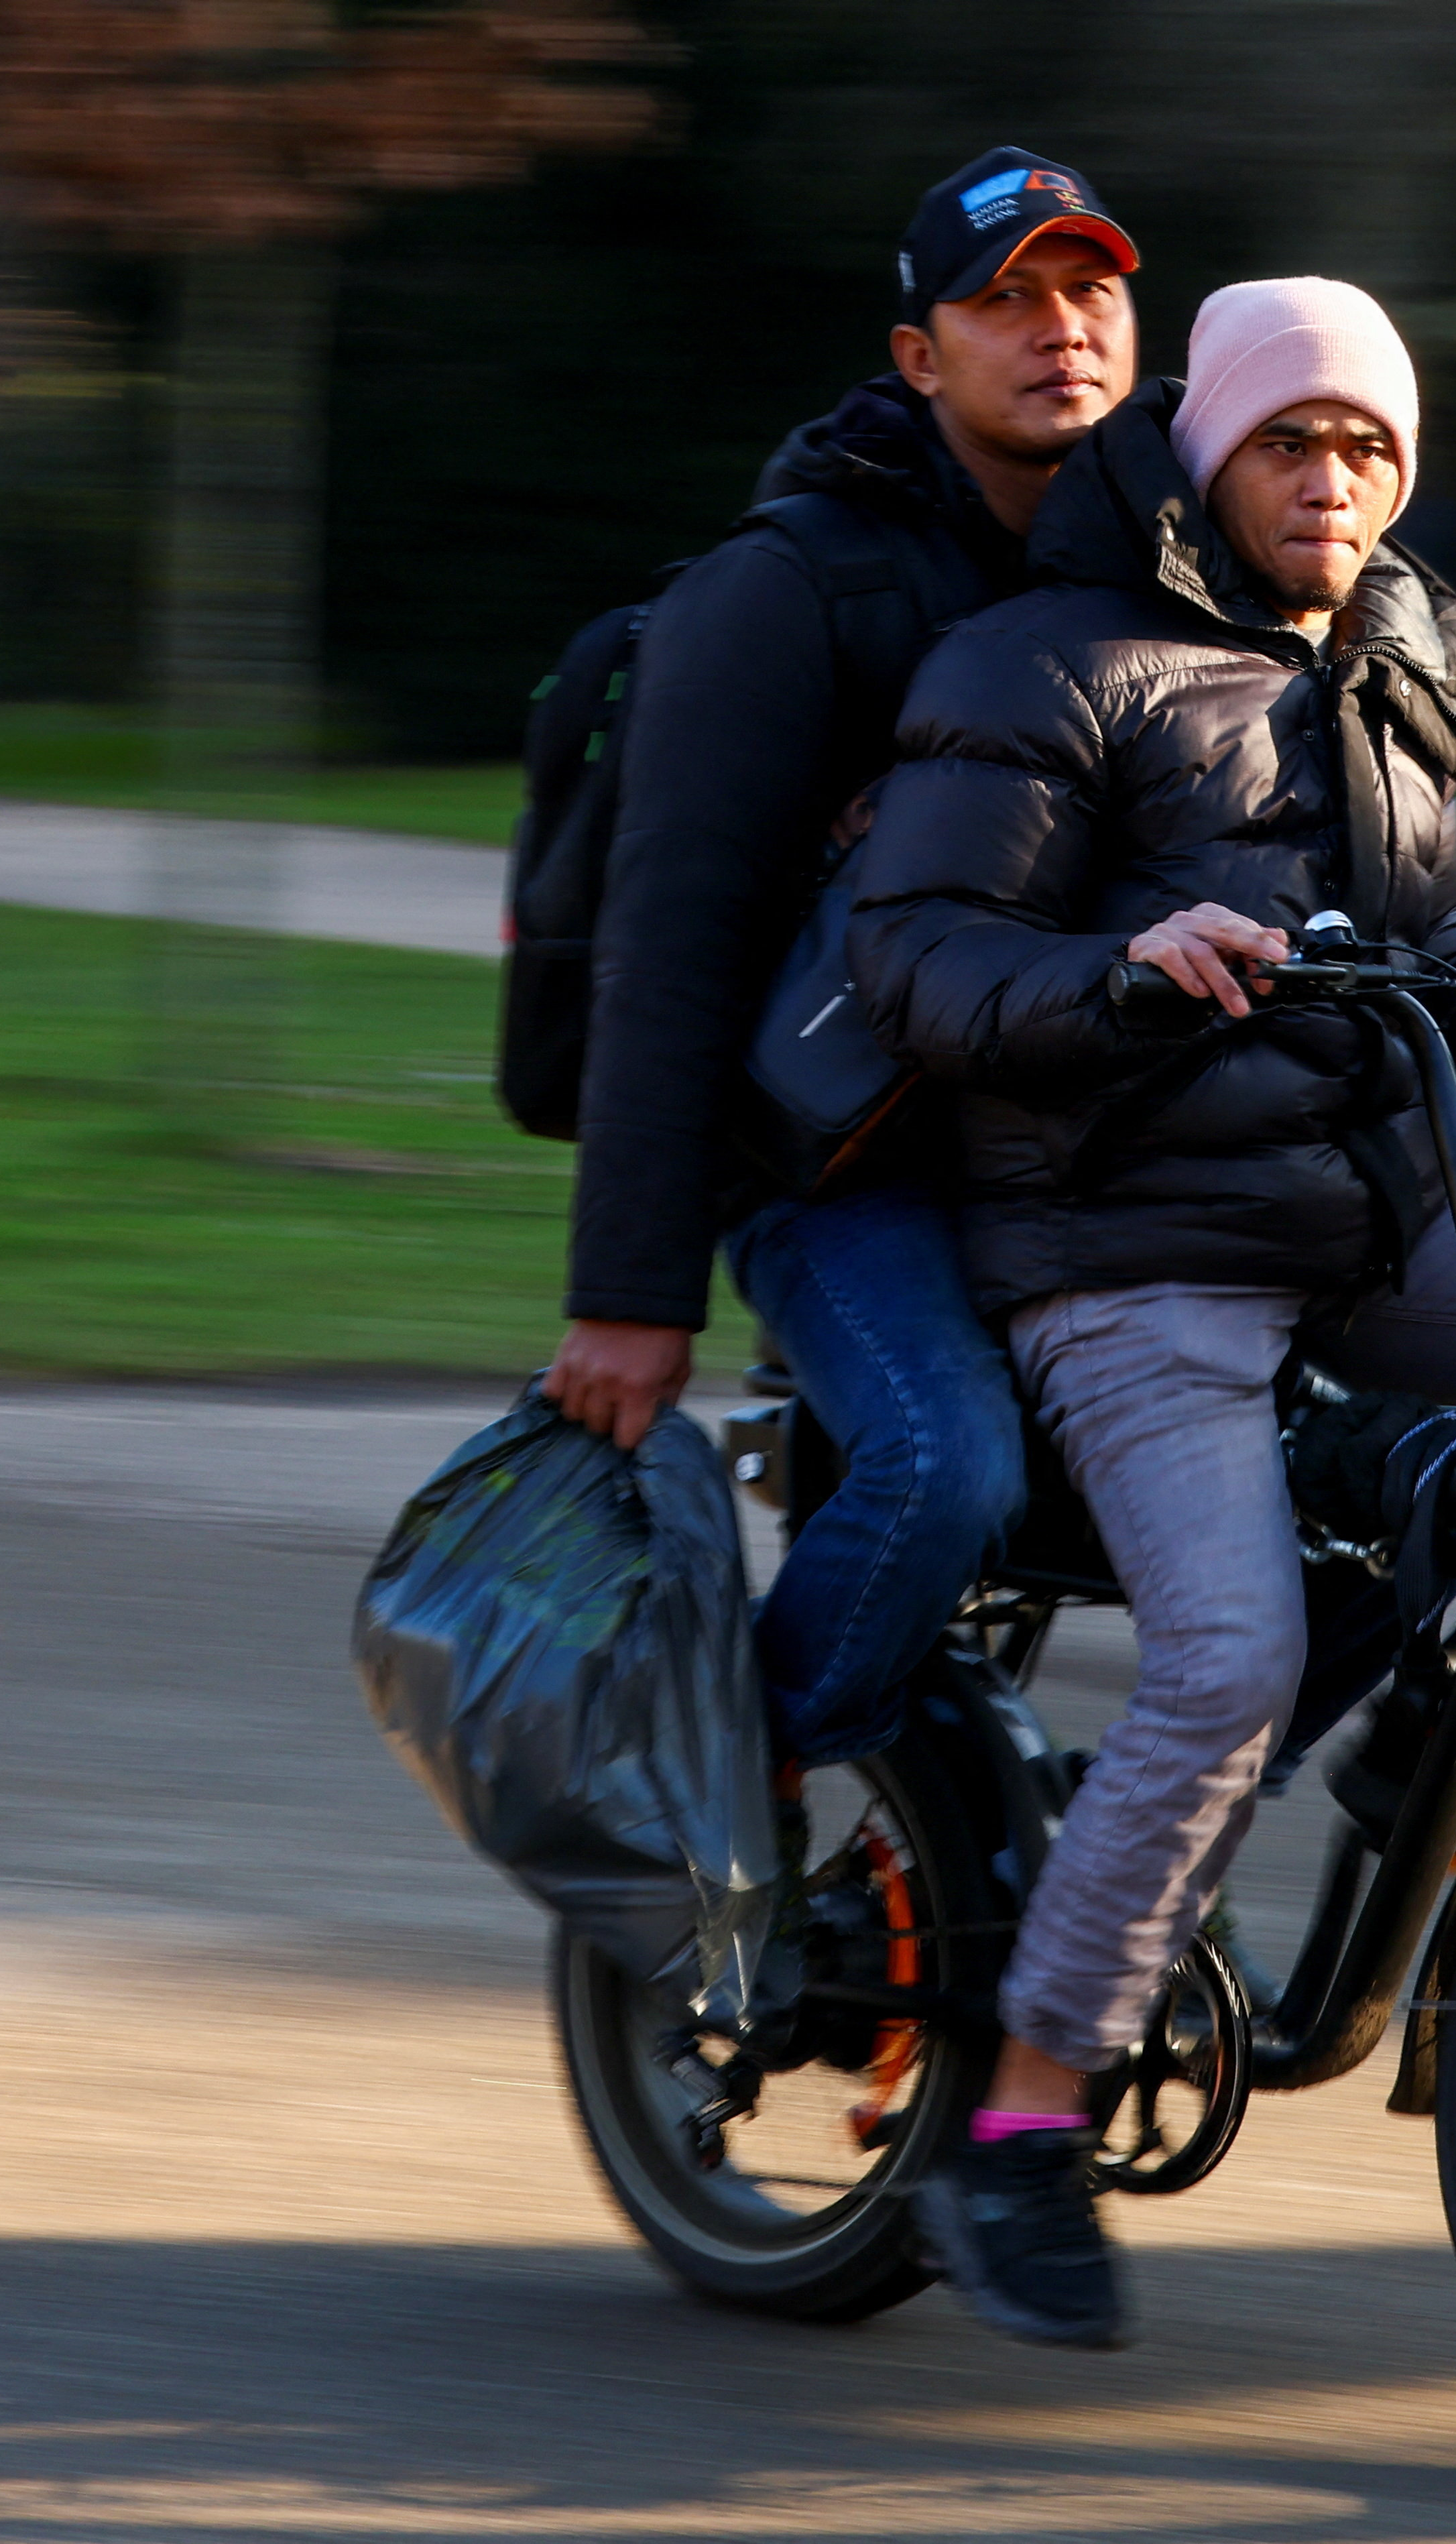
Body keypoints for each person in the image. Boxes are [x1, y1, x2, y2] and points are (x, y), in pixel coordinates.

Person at [847, 276, 1456, 2348]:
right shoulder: (1050, 661)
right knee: (1226, 1655)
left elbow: (1429, 970)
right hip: (1124, 1242)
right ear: (1211, 453)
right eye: (1294, 440)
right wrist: (1124, 971)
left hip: (1370, 1216)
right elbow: (920, 955)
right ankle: (1016, 2126)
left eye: (1371, 445)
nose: (1337, 478)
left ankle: (1431, 1768)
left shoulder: (1386, 660)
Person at [540, 148, 1142, 1768]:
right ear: (918, 355)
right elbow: (665, 952)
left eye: (1089, 290)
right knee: (945, 1465)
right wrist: (629, 1294)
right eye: (1003, 299)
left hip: (1070, 1147)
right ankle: (734, 1816)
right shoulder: (790, 589)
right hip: (830, 1167)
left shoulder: (1171, 570)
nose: (1058, 329)